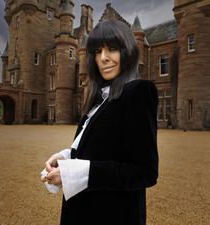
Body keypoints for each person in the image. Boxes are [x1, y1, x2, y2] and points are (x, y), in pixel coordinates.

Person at [42, 19, 159, 225]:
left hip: (112, 215)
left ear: (128, 51)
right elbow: (103, 148)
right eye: (97, 51)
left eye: (112, 49)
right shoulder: (100, 97)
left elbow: (144, 172)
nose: (103, 58)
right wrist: (66, 156)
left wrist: (74, 173)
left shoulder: (138, 92)